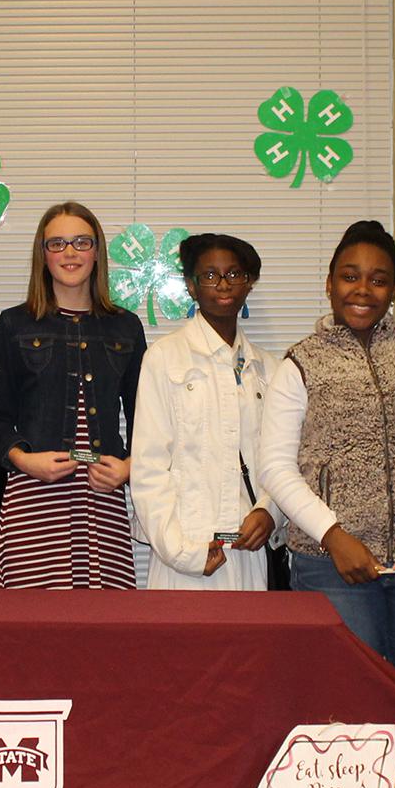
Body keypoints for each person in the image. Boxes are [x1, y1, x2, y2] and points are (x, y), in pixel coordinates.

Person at [258, 220, 395, 711]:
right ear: (329, 283)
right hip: (331, 566)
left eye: (378, 278)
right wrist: (335, 537)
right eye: (350, 276)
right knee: (345, 709)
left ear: (393, 289)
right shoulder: (300, 364)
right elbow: (275, 467)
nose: (363, 289)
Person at [0, 203, 145, 590]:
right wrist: (24, 460)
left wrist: (129, 468)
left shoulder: (125, 326)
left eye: (81, 242)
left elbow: (150, 421)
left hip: (102, 494)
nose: (70, 253)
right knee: (30, 628)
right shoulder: (13, 324)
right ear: (43, 254)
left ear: (97, 252)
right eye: (57, 243)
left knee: (100, 627)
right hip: (33, 492)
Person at [131, 233, 281, 590]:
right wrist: (183, 553)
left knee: (251, 646)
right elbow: (148, 468)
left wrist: (270, 512)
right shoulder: (164, 359)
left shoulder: (270, 369)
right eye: (210, 276)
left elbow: (283, 463)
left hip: (250, 553)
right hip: (185, 554)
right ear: (191, 286)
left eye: (235, 274)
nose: (223, 284)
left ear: (249, 284)